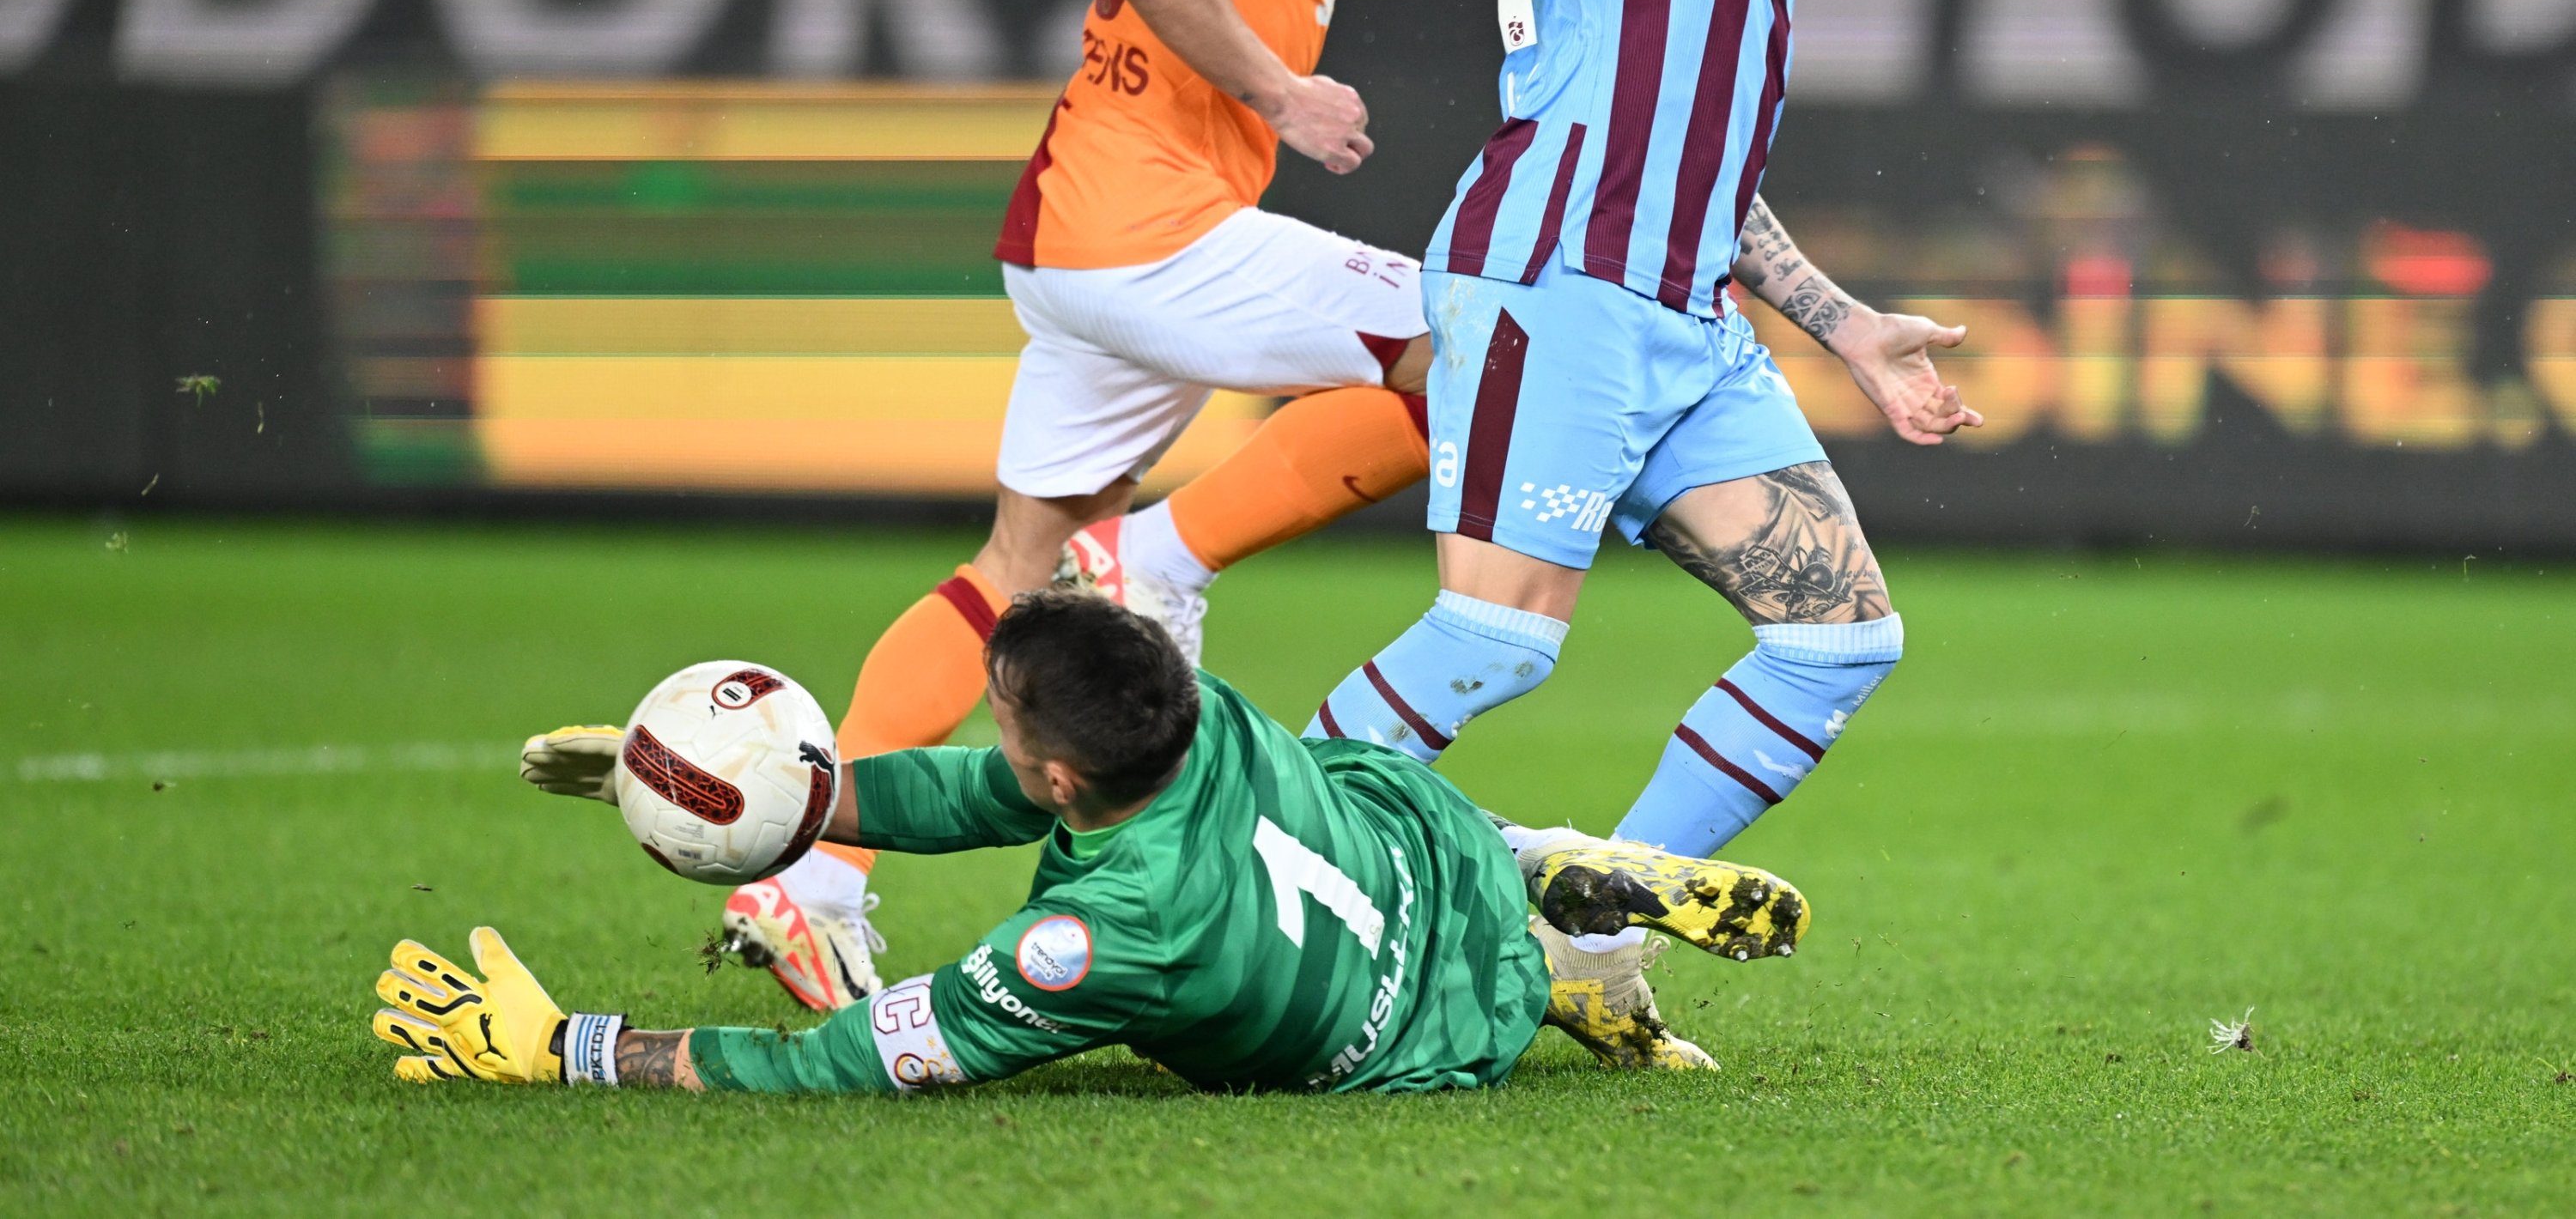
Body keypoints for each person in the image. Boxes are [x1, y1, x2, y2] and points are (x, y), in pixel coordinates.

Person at [611, 0, 1498, 1014]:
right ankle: (1166, 553)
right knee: (1484, 342)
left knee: (1011, 574)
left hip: (1085, 240)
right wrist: (1282, 91)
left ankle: (811, 880)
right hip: (1152, 236)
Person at [1300, 0, 1979, 952]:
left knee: (1841, 636)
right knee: (1494, 641)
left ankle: (1581, 947)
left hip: (1692, 322)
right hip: (1561, 279)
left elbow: (1711, 153)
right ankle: (1242, 860)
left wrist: (1847, 325)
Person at [380, 593, 1811, 1095]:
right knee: (1367, 777)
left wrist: (575, 1045)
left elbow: (856, 1054)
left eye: (1006, 724)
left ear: (1068, 776)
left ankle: (1543, 963)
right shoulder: (1192, 711)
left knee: (1432, 951)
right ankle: (1539, 872)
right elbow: (976, 793)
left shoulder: (1101, 937)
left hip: (1416, 1036)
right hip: (1410, 846)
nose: (991, 738)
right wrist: (753, 796)